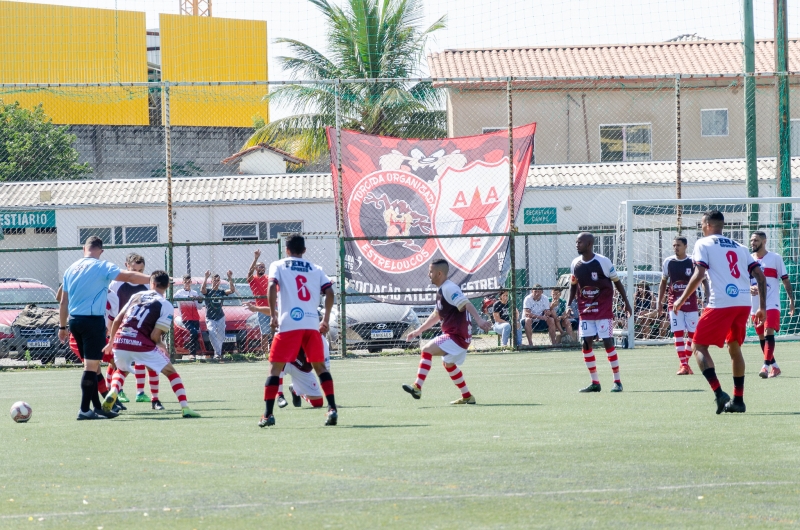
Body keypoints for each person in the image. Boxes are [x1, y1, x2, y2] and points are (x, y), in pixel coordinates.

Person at [674, 210, 766, 414]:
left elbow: (699, 274)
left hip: (721, 302)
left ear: (707, 224)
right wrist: (762, 308)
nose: (700, 227)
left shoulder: (702, 243)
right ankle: (739, 401)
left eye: (701, 223)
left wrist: (681, 299)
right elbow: (760, 276)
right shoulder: (741, 247)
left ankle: (719, 393)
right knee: (734, 348)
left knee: (698, 346)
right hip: (743, 302)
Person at [58, 236, 150, 420]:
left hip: (74, 321)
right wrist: (154, 279)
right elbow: (130, 276)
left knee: (93, 367)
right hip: (92, 322)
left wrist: (62, 327)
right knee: (91, 367)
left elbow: (62, 300)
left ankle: (98, 407)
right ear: (100, 251)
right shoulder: (102, 266)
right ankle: (84, 410)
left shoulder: (71, 268)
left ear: (84, 248)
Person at [260, 234, 338, 427]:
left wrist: (273, 315)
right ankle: (332, 409)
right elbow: (329, 292)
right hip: (311, 324)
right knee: (320, 368)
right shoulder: (316, 268)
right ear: (304, 250)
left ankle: (268, 415)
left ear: (286, 250)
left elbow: (271, 285)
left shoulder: (278, 265)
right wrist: (325, 319)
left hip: (289, 324)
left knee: (274, 369)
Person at [101, 270, 200, 418]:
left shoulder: (136, 296)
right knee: (171, 372)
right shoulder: (165, 305)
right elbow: (154, 335)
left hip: (120, 340)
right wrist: (161, 345)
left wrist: (111, 343)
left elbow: (117, 320)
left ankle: (114, 391)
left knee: (121, 370)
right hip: (141, 343)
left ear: (151, 283)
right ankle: (185, 408)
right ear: (167, 286)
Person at [403, 259, 492, 404]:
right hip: (457, 336)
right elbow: (436, 315)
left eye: (431, 272)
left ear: (439, 273)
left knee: (426, 350)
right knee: (448, 364)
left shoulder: (449, 288)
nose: (428, 274)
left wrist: (480, 320)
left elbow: (466, 303)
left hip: (456, 336)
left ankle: (417, 387)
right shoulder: (442, 290)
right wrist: (418, 331)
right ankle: (467, 396)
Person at [567, 232, 633, 393]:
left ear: (589, 244)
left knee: (607, 342)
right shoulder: (575, 263)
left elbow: (617, 283)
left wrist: (626, 303)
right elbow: (574, 284)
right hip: (585, 309)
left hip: (603, 308)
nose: (577, 244)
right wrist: (569, 304)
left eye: (580, 242)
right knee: (585, 344)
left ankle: (617, 381)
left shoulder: (603, 262)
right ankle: (595, 382)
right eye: (576, 242)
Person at [249, 298, 331, 409]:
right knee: (280, 358)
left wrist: (331, 400)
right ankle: (280, 395)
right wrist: (256, 308)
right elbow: (275, 313)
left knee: (318, 403)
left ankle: (296, 391)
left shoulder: (322, 343)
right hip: (288, 361)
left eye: (321, 321)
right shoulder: (296, 324)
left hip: (302, 369)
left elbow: (324, 370)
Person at [105, 253, 159, 407]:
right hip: (120, 326)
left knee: (141, 358)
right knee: (115, 361)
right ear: (126, 266)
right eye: (134, 270)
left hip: (141, 328)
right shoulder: (116, 283)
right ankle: (115, 390)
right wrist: (110, 328)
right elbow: (110, 306)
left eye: (141, 270)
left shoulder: (148, 285)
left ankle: (140, 393)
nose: (138, 273)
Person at [658, 236, 709, 375]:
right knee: (678, 334)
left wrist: (707, 297)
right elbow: (663, 283)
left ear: (685, 246)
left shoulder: (693, 261)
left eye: (678, 245)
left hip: (691, 304)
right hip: (674, 304)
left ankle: (684, 363)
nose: (676, 247)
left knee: (693, 336)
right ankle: (684, 365)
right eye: (674, 245)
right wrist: (659, 302)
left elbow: (703, 280)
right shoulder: (668, 262)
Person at [749, 231, 795, 378]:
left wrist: (791, 300)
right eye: (751, 240)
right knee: (761, 337)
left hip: (772, 303)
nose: (752, 243)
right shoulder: (749, 260)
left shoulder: (775, 258)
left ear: (764, 241)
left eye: (755, 240)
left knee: (768, 332)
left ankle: (765, 366)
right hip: (755, 305)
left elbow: (785, 280)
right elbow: (743, 280)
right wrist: (750, 288)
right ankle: (775, 366)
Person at [201, 270, 235, 361]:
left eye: (218, 280)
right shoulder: (208, 291)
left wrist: (230, 278)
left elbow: (232, 290)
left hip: (220, 316)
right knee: (211, 333)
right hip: (210, 317)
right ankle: (218, 353)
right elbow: (202, 290)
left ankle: (217, 354)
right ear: (211, 281)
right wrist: (205, 277)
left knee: (221, 336)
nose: (216, 282)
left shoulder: (221, 292)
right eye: (215, 280)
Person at [247, 250, 271, 356]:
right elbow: (249, 273)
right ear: (256, 268)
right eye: (260, 266)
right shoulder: (254, 279)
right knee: (265, 333)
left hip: (272, 308)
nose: (262, 268)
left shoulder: (269, 278)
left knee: (276, 331)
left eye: (263, 266)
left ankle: (275, 352)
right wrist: (255, 258)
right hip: (261, 308)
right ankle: (266, 354)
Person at [173, 274, 203, 360]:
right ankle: (192, 353)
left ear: (191, 282)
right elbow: (175, 297)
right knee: (193, 332)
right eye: (185, 282)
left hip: (195, 318)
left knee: (196, 334)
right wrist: (189, 297)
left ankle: (201, 352)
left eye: (188, 282)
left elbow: (199, 307)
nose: (187, 283)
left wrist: (200, 300)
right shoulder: (179, 292)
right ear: (183, 282)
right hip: (186, 318)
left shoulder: (195, 292)